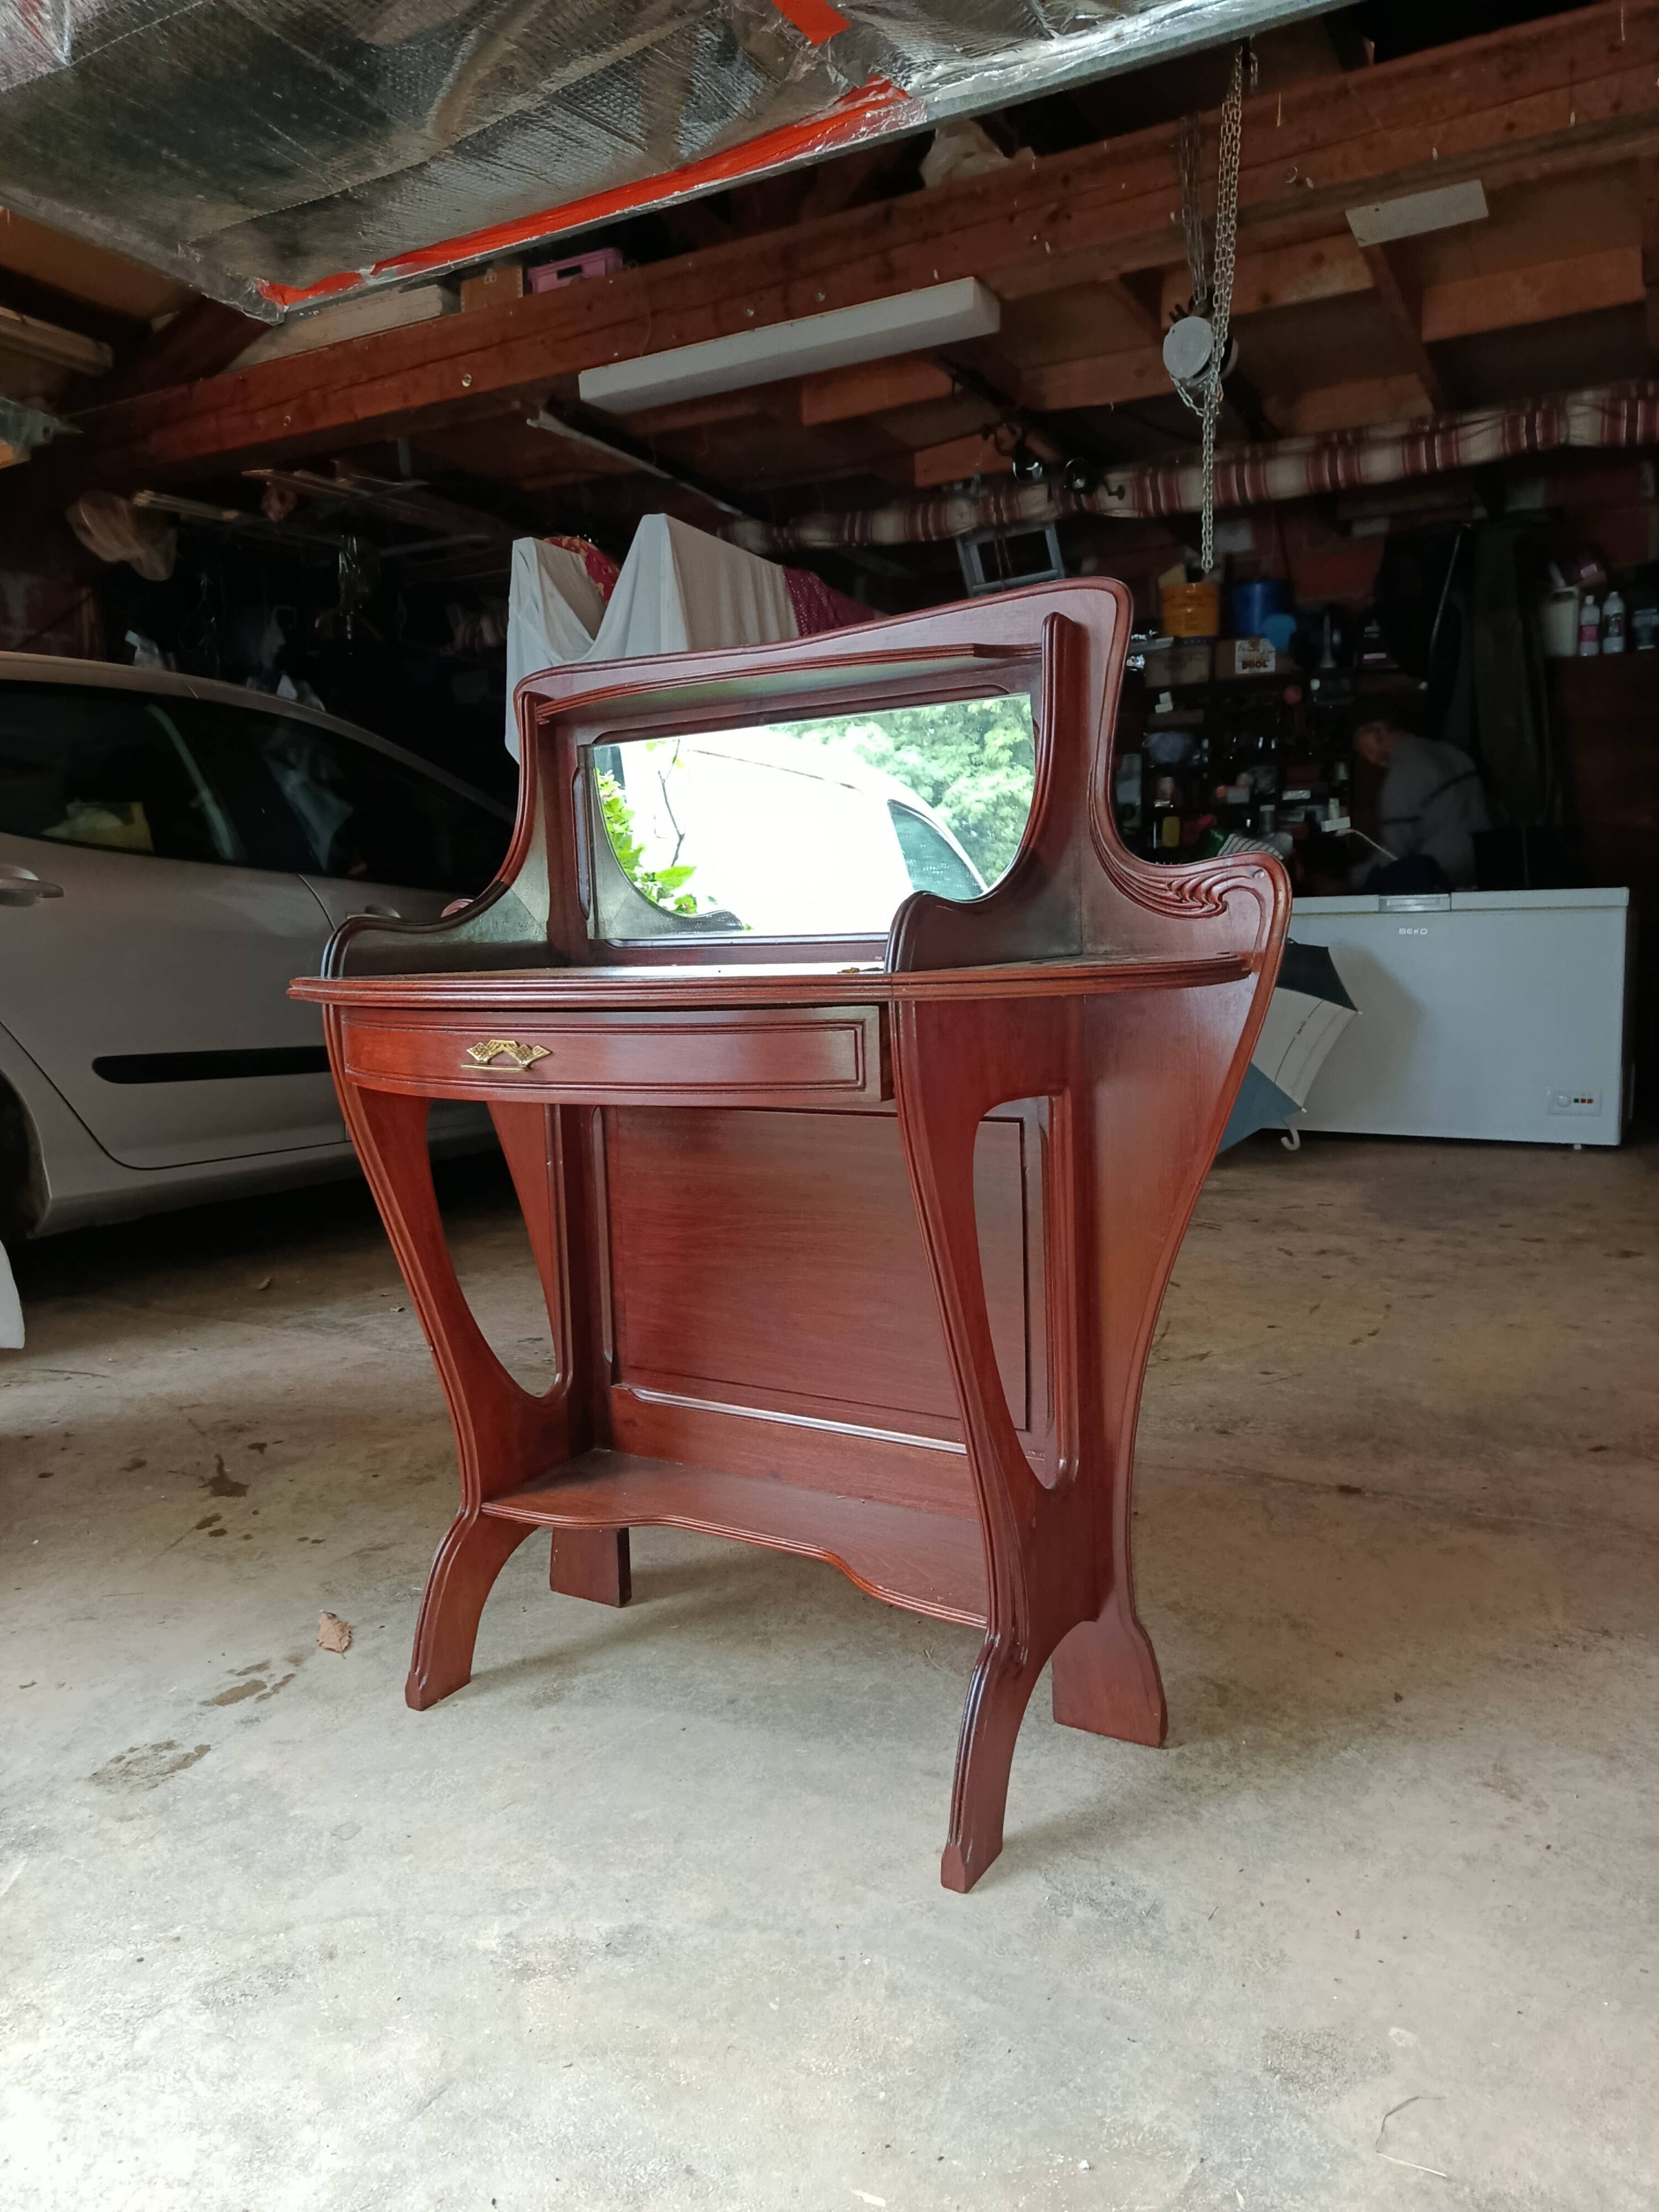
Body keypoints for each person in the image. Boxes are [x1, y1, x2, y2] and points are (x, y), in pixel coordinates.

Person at [1348, 712, 1491, 891]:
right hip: (1485, 869)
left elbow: (1392, 855)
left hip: (1444, 881)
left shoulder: (1403, 774)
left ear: (1377, 732)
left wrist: (1347, 883)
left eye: (1362, 746)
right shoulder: (1451, 752)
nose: (1364, 755)